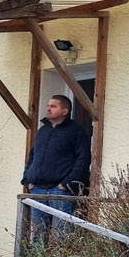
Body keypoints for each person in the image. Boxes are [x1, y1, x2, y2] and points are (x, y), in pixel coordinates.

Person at [21, 95, 91, 239]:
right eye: (48, 105)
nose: (48, 108)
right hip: (38, 189)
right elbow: (33, 156)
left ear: (65, 111)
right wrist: (28, 180)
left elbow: (83, 160)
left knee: (63, 235)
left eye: (53, 106)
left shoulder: (76, 131)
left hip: (60, 190)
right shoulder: (43, 131)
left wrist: (66, 184)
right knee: (38, 235)